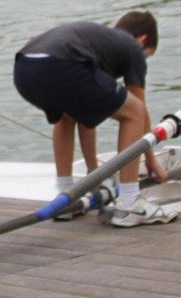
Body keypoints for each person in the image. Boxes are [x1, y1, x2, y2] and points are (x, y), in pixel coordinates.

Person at [13, 12, 172, 227]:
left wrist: (93, 173)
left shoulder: (98, 44)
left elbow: (86, 117)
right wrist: (151, 160)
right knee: (134, 111)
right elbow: (140, 111)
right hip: (61, 64)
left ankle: (65, 199)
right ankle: (130, 203)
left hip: (24, 67)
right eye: (147, 56)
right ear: (142, 40)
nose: (142, 62)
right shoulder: (131, 47)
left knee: (67, 116)